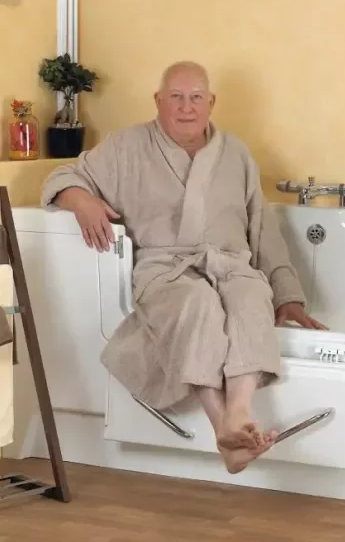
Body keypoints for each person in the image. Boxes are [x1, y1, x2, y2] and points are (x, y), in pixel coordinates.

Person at [40, 61, 327, 473]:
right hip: (165, 270)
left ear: (211, 102)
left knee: (250, 294)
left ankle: (240, 413)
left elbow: (263, 230)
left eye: (196, 98)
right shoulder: (127, 147)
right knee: (198, 303)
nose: (186, 107)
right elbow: (64, 176)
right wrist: (81, 200)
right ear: (159, 101)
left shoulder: (236, 153)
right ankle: (222, 426)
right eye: (176, 97)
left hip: (231, 265)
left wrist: (288, 296)